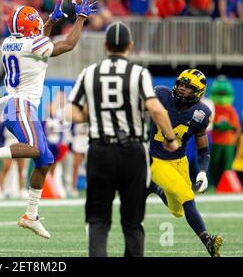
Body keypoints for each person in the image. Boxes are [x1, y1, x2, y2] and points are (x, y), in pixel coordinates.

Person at [0, 0, 99, 239]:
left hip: (18, 105)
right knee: (35, 149)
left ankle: (30, 215)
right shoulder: (33, 43)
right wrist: (81, 18)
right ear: (30, 26)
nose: (39, 25)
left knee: (45, 159)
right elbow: (67, 45)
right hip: (20, 105)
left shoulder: (9, 43)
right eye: (36, 22)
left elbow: (36, 42)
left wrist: (50, 22)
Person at [66, 21, 178, 257]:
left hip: (100, 151)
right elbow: (156, 109)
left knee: (98, 221)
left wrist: (92, 113)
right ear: (130, 46)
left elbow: (71, 113)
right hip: (132, 152)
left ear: (105, 46)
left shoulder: (90, 72)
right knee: (133, 222)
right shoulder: (138, 73)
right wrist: (170, 138)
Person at [148, 69, 223, 257]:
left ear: (198, 92)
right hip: (156, 159)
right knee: (187, 197)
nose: (182, 89)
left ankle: (154, 188)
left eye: (188, 87)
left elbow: (203, 149)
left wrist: (203, 172)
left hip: (179, 161)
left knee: (178, 211)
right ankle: (208, 241)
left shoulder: (202, 113)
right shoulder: (161, 95)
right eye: (181, 84)